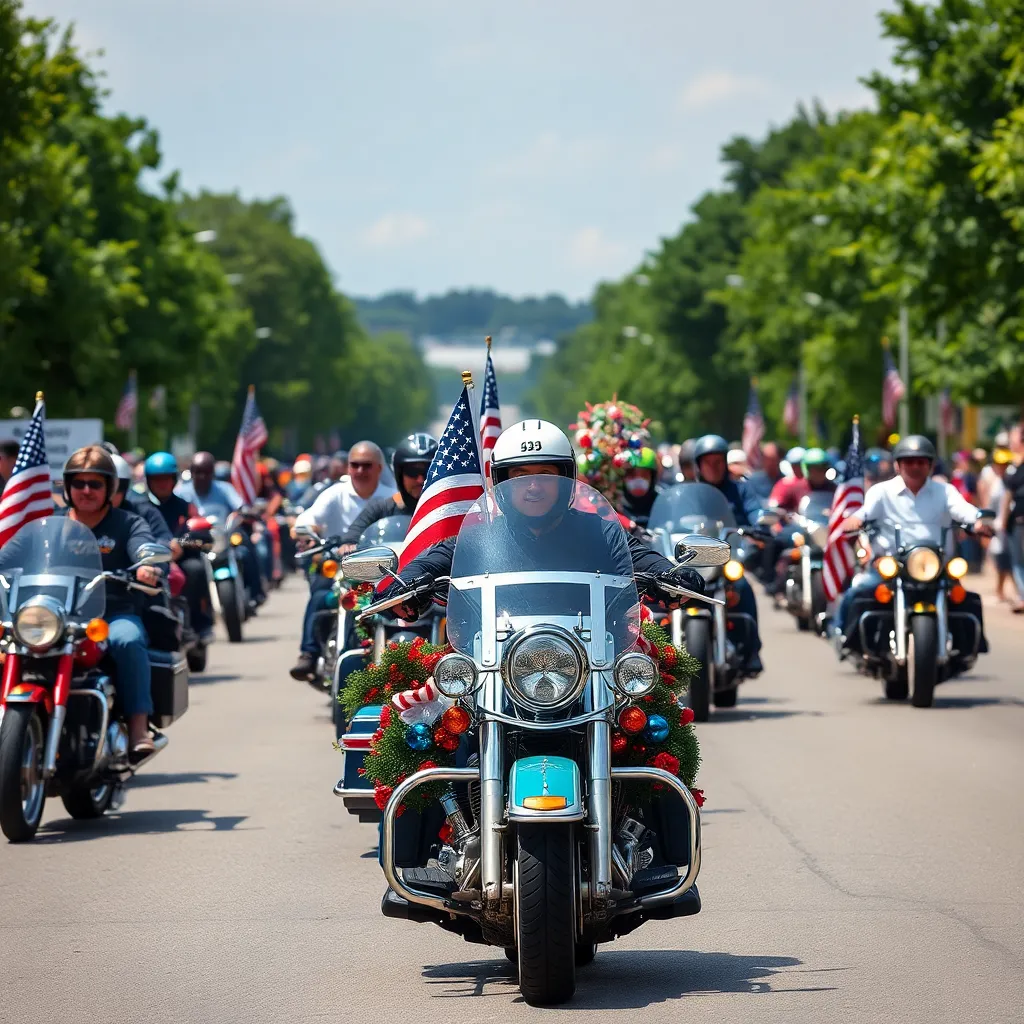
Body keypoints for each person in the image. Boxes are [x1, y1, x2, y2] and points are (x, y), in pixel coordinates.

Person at [381, 421, 700, 622]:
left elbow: (640, 556)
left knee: (649, 719)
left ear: (567, 479)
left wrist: (669, 573)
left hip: (591, 660)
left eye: (545, 475)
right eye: (519, 476)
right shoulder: (480, 538)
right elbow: (434, 560)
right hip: (493, 661)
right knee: (439, 723)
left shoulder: (597, 531)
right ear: (500, 482)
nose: (532, 486)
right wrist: (406, 581)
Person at [834, 435, 994, 642]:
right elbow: (865, 512)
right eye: (909, 461)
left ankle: (969, 648)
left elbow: (964, 510)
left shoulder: (944, 491)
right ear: (898, 465)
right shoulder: (882, 492)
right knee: (858, 592)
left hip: (936, 567)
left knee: (967, 600)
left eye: (921, 462)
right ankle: (843, 636)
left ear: (930, 465)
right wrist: (855, 519)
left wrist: (979, 522)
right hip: (891, 566)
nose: (915, 467)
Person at [57, 446, 161, 758]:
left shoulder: (128, 524)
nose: (86, 491)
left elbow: (144, 546)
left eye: (95, 484)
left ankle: (139, 726)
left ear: (110, 488)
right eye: (79, 483)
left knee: (128, 641)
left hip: (111, 614)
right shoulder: (54, 525)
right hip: (59, 617)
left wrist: (148, 566)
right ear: (68, 487)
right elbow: (14, 554)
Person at [289, 440, 393, 680]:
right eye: (354, 465)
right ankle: (309, 654)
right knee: (319, 594)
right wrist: (309, 530)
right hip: (339, 568)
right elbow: (305, 521)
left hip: (382, 571)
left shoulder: (391, 498)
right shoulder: (335, 494)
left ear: (379, 468)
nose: (359, 471)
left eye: (366, 466)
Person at [692, 433, 765, 673]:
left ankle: (752, 650)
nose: (713, 467)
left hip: (727, 556)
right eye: (708, 462)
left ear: (725, 463)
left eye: (718, 462)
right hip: (696, 560)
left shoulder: (740, 490)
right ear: (699, 465)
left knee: (742, 586)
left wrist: (759, 525)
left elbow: (756, 512)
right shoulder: (690, 492)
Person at [176, 451, 265, 608]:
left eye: (206, 472)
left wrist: (247, 511)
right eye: (198, 472)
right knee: (191, 567)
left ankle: (255, 593)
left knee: (245, 549)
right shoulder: (182, 492)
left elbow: (239, 506)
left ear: (213, 473)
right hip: (195, 541)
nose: (202, 477)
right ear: (192, 472)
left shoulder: (224, 489)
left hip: (223, 535)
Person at [145, 452, 213, 637]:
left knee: (195, 568)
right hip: (148, 561)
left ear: (174, 479)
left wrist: (182, 544)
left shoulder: (185, 507)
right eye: (157, 479)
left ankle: (196, 623)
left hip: (180, 561)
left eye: (166, 478)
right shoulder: (140, 507)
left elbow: (204, 537)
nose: (162, 483)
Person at [340, 433, 438, 548]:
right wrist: (349, 548)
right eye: (412, 471)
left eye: (429, 471)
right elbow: (350, 541)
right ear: (399, 474)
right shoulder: (380, 508)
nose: (420, 479)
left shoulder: (452, 509)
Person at [981, 446, 1018, 605]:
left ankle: (1015, 591)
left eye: (1004, 464)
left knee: (1011, 560)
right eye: (998, 463)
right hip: (998, 528)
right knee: (1001, 559)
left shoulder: (1013, 479)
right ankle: (1001, 590)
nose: (1001, 467)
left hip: (1011, 526)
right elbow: (989, 506)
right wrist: (986, 527)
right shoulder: (996, 483)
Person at [998, 421, 1024, 613]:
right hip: (1017, 520)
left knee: (1018, 560)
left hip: (1017, 519)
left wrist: (1001, 520)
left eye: (1014, 436)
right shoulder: (1013, 464)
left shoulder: (1016, 466)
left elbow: (1007, 496)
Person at [620, 447, 662, 527]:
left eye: (644, 475)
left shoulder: (661, 503)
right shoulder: (615, 506)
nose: (638, 481)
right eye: (632, 475)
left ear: (652, 478)